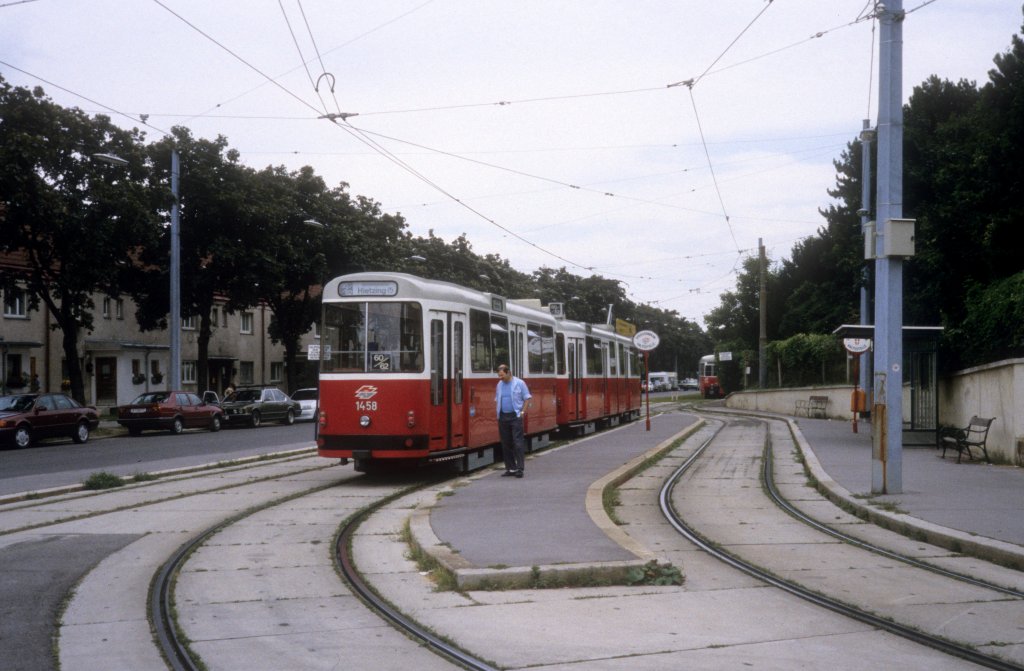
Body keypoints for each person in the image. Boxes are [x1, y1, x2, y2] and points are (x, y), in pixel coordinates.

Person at [495, 364, 531, 478]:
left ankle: (520, 468)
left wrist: (522, 413)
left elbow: (527, 398)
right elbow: (497, 399)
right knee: (506, 443)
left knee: (518, 443)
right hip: (503, 416)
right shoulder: (499, 384)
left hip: (515, 416)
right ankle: (510, 468)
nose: (500, 378)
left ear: (508, 373)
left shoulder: (519, 383)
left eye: (502, 375)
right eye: (499, 375)